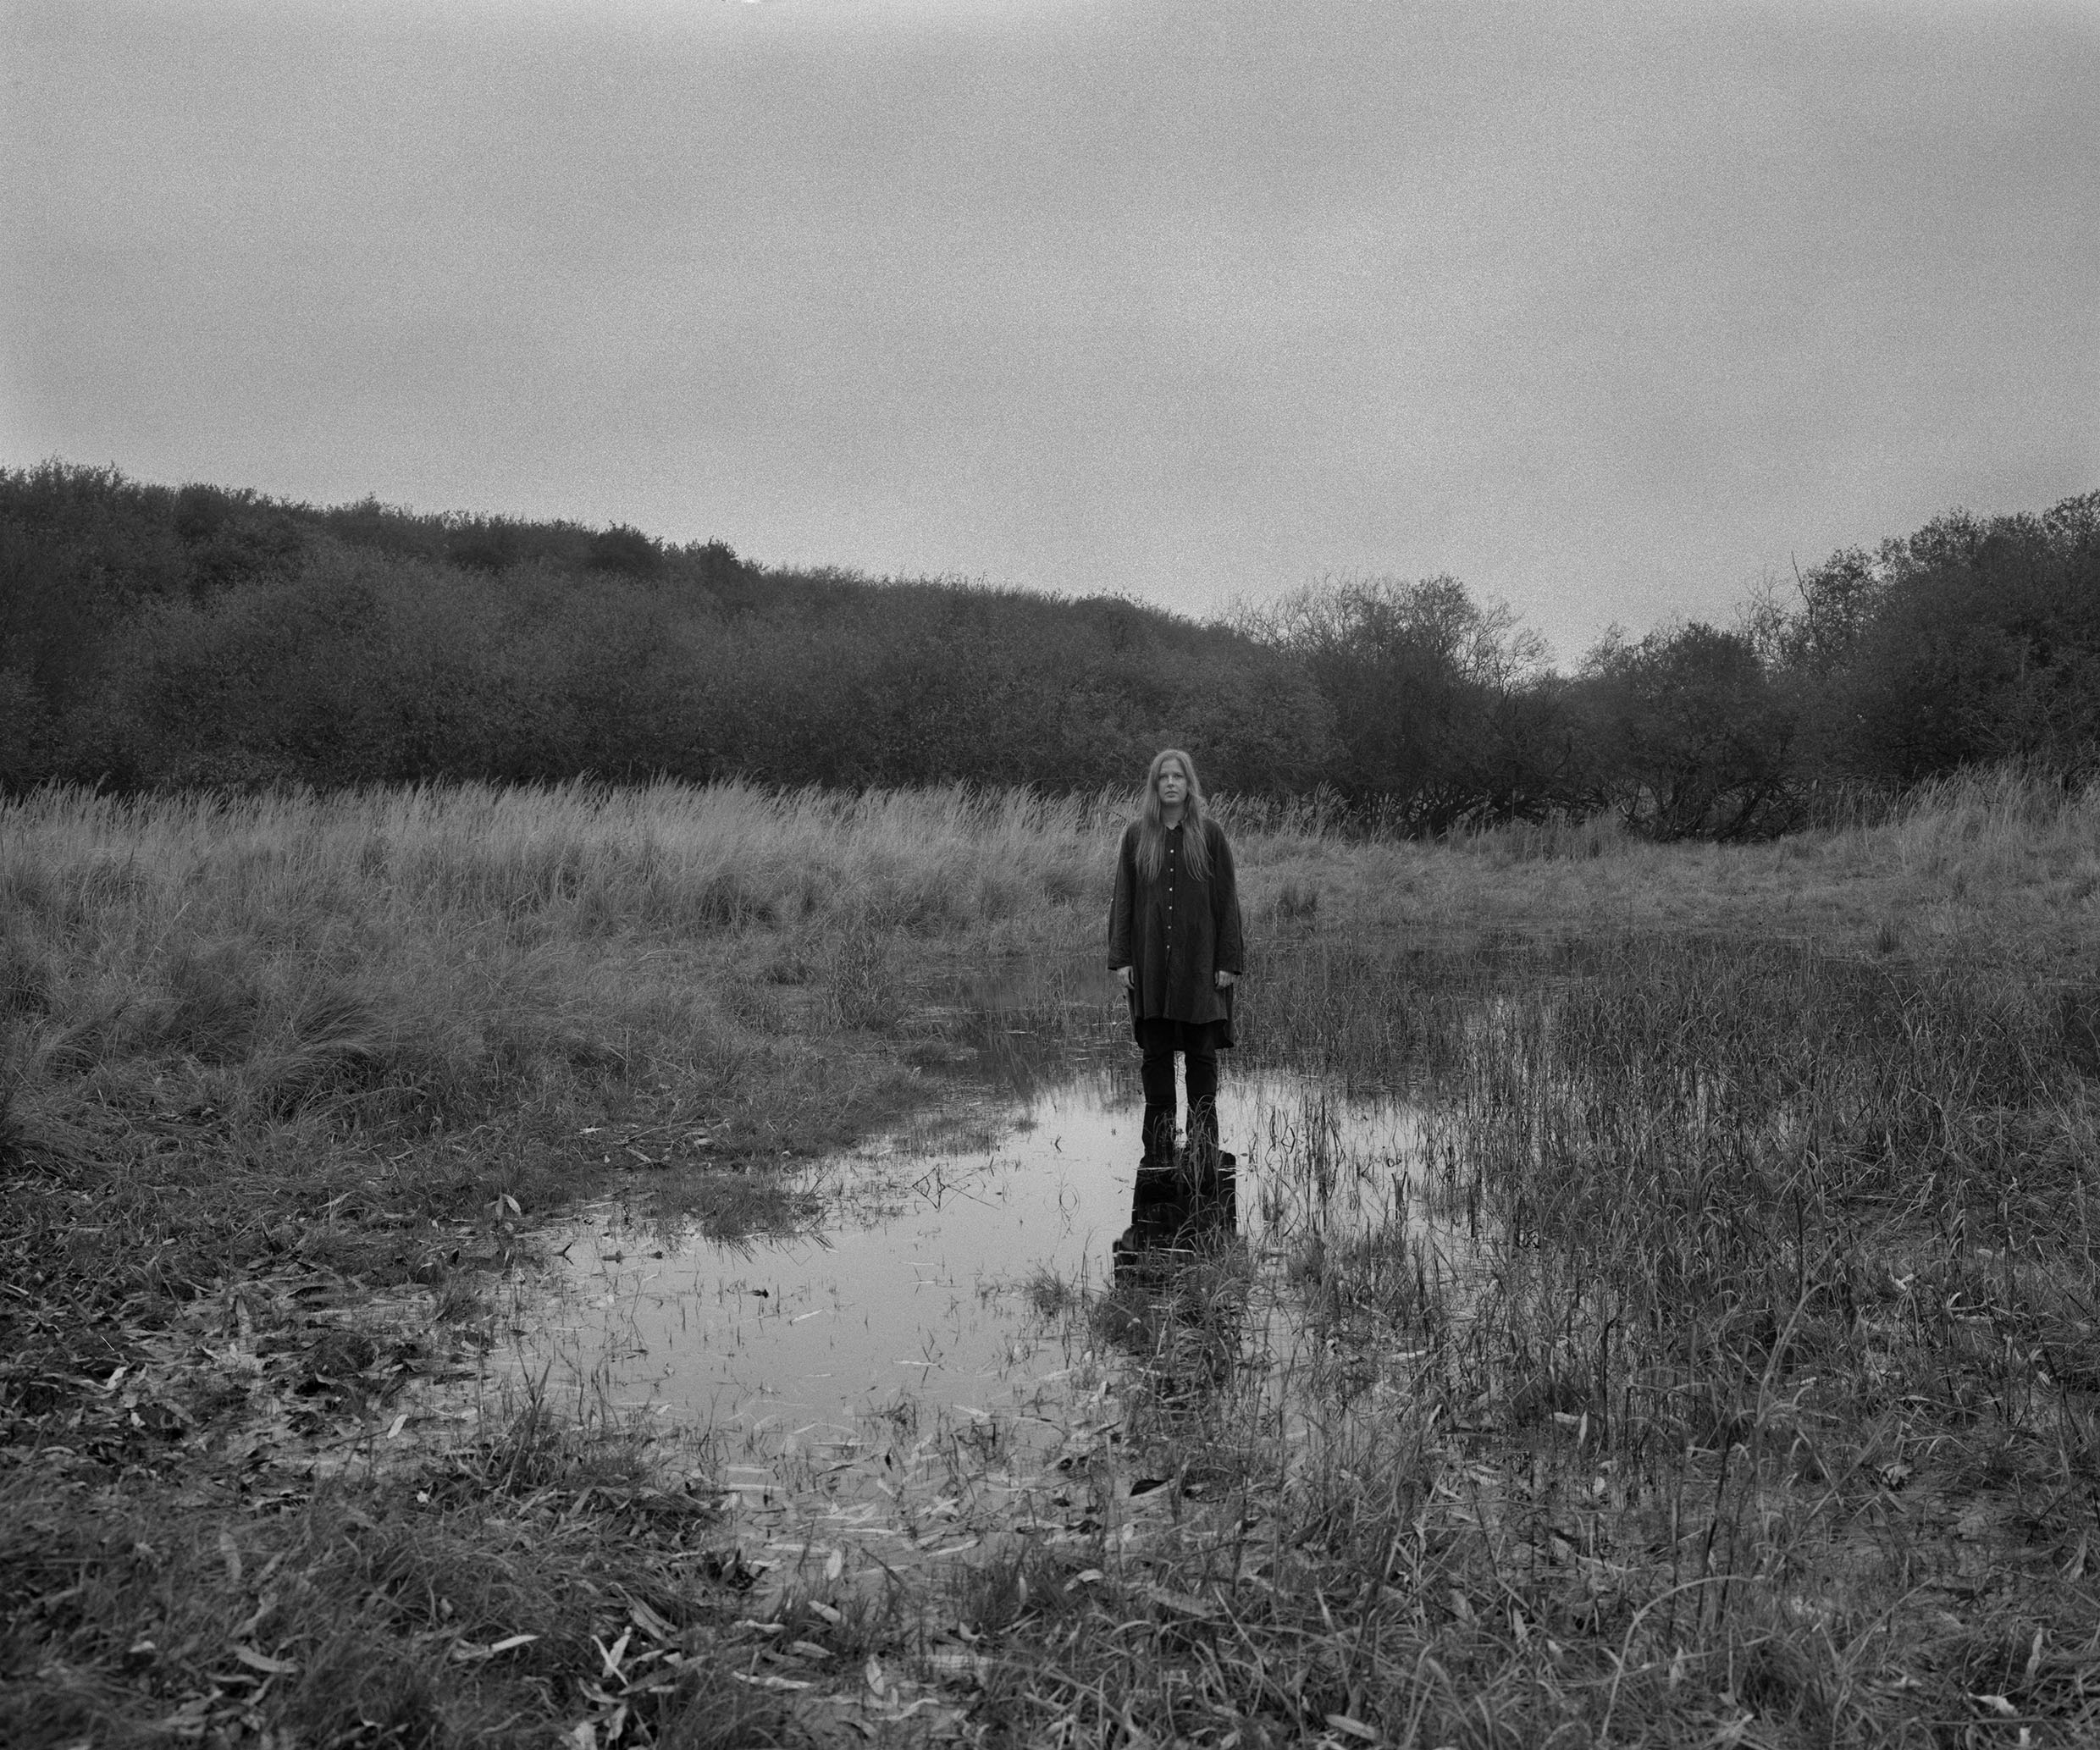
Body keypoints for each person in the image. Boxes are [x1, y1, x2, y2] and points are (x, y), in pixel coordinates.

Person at [1107, 748, 1245, 1177]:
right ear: (1154, 785)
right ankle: (1160, 1151)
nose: (1170, 783)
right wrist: (1122, 960)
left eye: (1178, 777)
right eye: (1163, 777)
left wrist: (1227, 960)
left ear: (1189, 785)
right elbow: (1123, 900)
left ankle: (1203, 1152)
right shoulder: (1136, 836)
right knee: (1156, 1053)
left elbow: (1227, 902)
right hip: (1150, 963)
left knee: (1202, 1053)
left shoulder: (1210, 835)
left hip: (1200, 962)